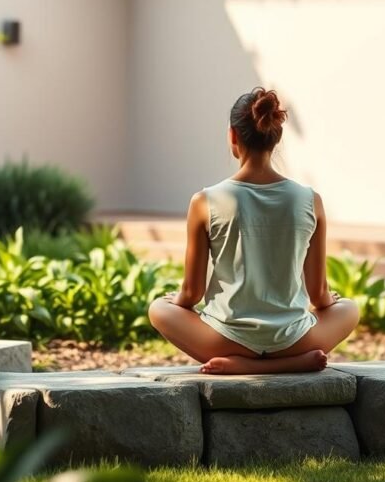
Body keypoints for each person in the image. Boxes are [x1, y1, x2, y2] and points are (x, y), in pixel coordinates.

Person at [148, 88, 359, 375]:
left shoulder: (204, 201)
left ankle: (245, 365)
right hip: (296, 342)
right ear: (277, 136)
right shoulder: (310, 200)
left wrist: (175, 301)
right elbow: (319, 295)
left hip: (224, 343)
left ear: (233, 136)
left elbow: (191, 292)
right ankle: (288, 364)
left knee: (158, 309)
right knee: (349, 308)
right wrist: (330, 302)